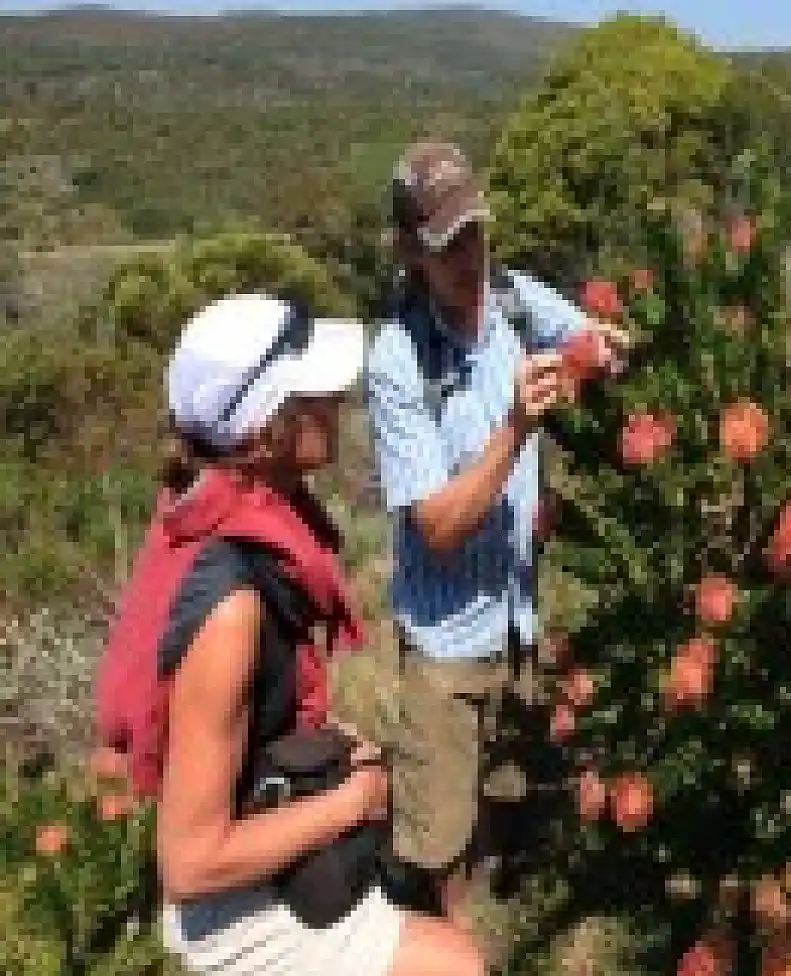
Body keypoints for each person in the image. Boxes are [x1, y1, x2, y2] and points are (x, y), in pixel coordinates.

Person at [91, 292, 485, 976]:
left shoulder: (218, 521)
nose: (337, 399)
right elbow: (190, 862)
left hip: (265, 861)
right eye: (316, 390)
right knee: (455, 966)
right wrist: (350, 802)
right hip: (235, 914)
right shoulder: (231, 609)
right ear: (267, 427)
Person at [365, 141, 627, 920]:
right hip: (445, 651)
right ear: (411, 250)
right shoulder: (397, 360)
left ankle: (502, 930)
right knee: (437, 853)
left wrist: (600, 352)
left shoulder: (514, 299)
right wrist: (515, 427)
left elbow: (599, 343)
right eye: (447, 245)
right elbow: (438, 527)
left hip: (517, 626)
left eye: (475, 233)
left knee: (513, 817)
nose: (468, 258)